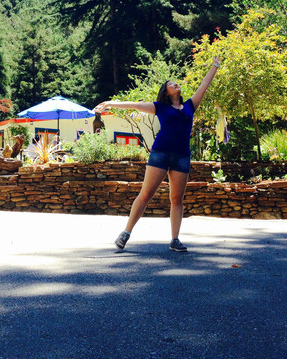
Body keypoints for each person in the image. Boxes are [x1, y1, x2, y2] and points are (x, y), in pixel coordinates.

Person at [93, 57, 221, 252]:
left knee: (177, 199)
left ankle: (175, 239)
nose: (175, 84)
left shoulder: (189, 106)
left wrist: (215, 66)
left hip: (182, 157)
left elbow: (205, 84)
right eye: (170, 84)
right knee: (146, 194)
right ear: (166, 92)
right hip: (160, 154)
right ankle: (126, 233)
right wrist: (110, 103)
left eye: (175, 83)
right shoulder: (159, 107)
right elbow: (135, 105)